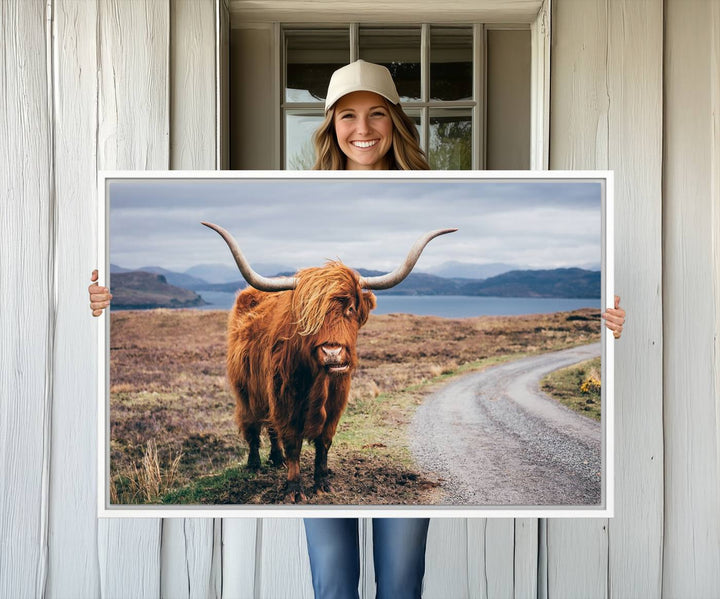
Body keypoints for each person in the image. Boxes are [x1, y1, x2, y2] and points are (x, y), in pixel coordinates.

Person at [88, 60, 626, 599]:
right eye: (347, 116)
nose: (362, 130)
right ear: (329, 126)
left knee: (401, 580)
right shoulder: (294, 189)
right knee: (333, 580)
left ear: (396, 121)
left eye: (376, 115)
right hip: (296, 356)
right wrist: (104, 303)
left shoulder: (442, 188)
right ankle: (290, 460)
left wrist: (608, 321)